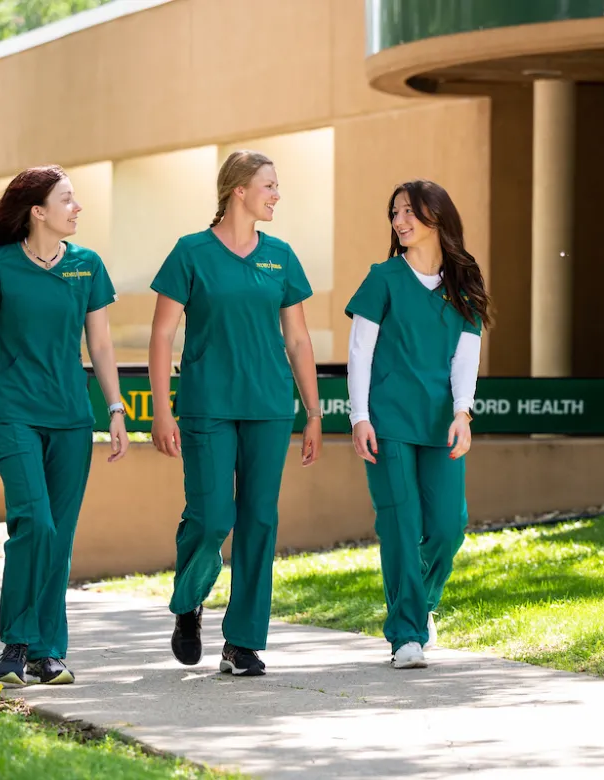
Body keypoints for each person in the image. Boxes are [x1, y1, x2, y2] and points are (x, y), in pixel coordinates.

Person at [149, 150, 322, 677]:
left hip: (269, 406)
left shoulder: (281, 256)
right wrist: (161, 411)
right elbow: (162, 335)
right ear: (238, 190)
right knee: (211, 518)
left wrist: (314, 412)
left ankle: (242, 642)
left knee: (259, 520)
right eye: (269, 185)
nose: (276, 194)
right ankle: (189, 600)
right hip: (208, 405)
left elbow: (298, 339)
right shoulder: (191, 252)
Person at [346, 179, 492, 669]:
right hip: (387, 422)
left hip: (439, 422)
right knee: (401, 524)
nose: (400, 221)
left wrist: (463, 412)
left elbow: (466, 357)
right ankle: (406, 635)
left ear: (437, 217)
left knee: (449, 527)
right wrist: (360, 416)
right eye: (395, 213)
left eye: (409, 211)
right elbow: (360, 352)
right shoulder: (383, 278)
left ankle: (419, 603)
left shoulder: (464, 282)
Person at [0, 165, 129, 687]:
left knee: (60, 535)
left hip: (72, 417)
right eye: (67, 199)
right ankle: (14, 642)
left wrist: (115, 409)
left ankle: (47, 651)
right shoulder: (2, 265)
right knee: (35, 522)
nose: (77, 208)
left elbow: (100, 344)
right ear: (38, 211)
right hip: (13, 411)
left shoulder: (87, 265)